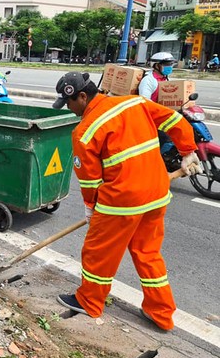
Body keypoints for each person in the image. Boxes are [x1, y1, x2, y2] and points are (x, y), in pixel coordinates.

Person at [52, 71, 202, 331]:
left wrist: (91, 210)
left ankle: (88, 301)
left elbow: (90, 182)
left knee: (98, 253)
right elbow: (175, 120)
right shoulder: (135, 103)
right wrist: (188, 151)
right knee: (148, 253)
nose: (68, 108)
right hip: (156, 195)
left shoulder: (84, 133)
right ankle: (161, 313)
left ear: (83, 96)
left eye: (69, 102)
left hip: (121, 202)